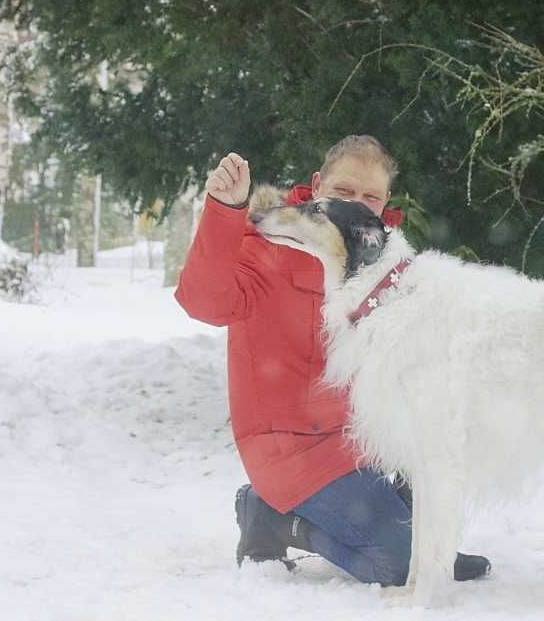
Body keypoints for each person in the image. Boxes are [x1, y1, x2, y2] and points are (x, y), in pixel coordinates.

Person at [175, 135, 490, 586]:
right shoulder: (273, 240)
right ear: (318, 184)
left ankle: (408, 539)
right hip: (290, 446)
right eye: (344, 192)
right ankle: (273, 518)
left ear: (385, 204)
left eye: (371, 197)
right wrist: (225, 211)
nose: (357, 205)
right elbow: (204, 301)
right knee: (402, 568)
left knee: (436, 531)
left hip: (361, 442)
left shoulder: (384, 258)